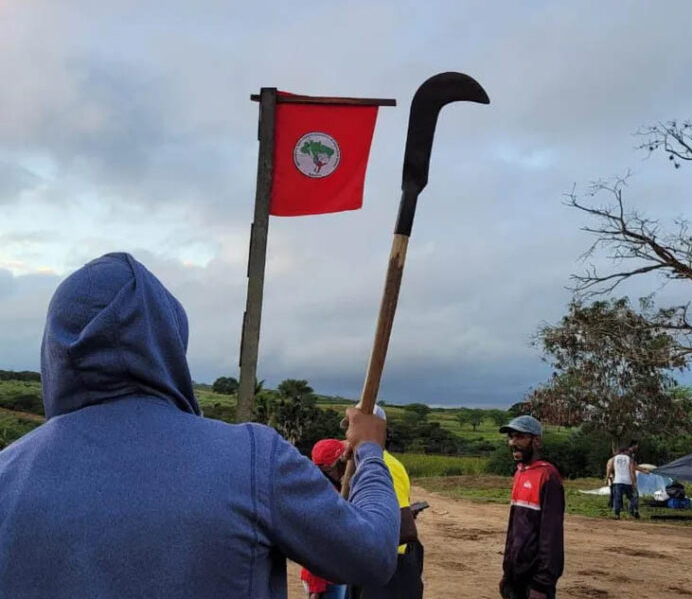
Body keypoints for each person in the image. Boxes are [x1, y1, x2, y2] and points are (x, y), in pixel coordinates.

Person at [0, 253, 400, 599]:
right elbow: (372, 553)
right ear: (170, 347)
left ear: (53, 351)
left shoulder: (7, 474)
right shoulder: (253, 459)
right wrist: (368, 450)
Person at [352, 405, 424, 599]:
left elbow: (406, 530)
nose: (349, 432)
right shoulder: (365, 463)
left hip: (390, 569)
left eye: (355, 425)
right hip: (376, 564)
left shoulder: (383, 465)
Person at [498, 415, 564, 599]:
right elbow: (514, 529)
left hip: (535, 581)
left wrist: (541, 584)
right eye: (511, 437)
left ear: (536, 441)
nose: (512, 443)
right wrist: (507, 574)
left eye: (520, 437)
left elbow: (551, 535)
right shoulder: (520, 473)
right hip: (515, 576)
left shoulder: (548, 476)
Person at [301, 439, 351, 599]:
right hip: (324, 578)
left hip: (335, 572)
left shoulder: (328, 487)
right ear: (331, 466)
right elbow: (314, 541)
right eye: (343, 462)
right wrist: (316, 586)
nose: (346, 466)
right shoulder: (324, 496)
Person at [607, 446, 639, 519]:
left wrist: (607, 479)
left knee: (617, 498)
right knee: (631, 497)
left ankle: (617, 515)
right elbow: (631, 471)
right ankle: (634, 510)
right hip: (627, 481)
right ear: (624, 452)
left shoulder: (614, 458)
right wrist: (633, 482)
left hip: (617, 481)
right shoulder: (629, 459)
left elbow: (610, 468)